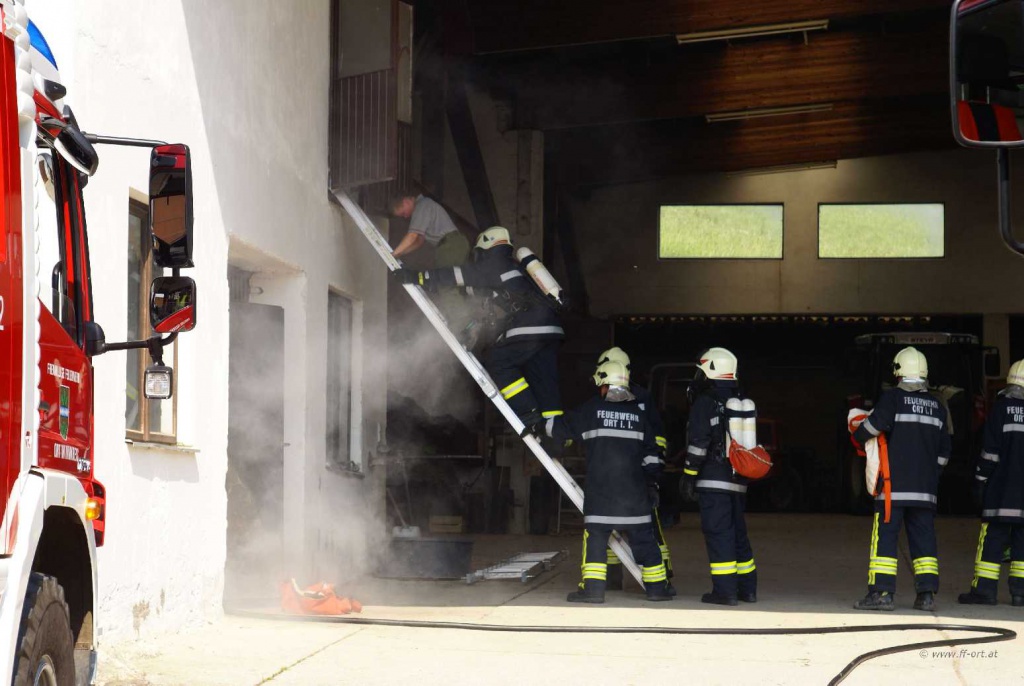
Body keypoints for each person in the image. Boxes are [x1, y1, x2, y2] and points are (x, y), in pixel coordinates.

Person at [395, 227, 563, 428]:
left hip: (530, 327)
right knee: (544, 379)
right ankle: (555, 432)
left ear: (486, 246)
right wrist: (471, 325)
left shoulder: (494, 264)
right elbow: (488, 302)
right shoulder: (515, 269)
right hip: (551, 329)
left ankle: (528, 414)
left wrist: (417, 277)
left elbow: (455, 275)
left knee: (498, 362)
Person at [546, 360, 672, 603]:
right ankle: (657, 588)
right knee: (645, 540)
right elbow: (652, 455)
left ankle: (593, 590)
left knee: (595, 539)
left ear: (604, 384)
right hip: (635, 496)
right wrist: (652, 484)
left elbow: (558, 429)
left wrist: (537, 420)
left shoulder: (592, 410)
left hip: (601, 494)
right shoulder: (638, 415)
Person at [851, 346, 951, 612]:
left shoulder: (893, 398)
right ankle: (926, 596)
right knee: (924, 540)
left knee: (885, 538)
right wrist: (930, 476)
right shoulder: (938, 407)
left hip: (892, 489)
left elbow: (869, 429)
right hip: (925, 491)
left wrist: (857, 433)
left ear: (897, 371)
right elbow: (944, 453)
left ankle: (882, 594)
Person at [592, 347, 674, 593]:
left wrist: (652, 475)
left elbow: (654, 436)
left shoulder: (636, 397)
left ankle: (658, 577)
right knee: (639, 528)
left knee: (642, 528)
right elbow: (654, 436)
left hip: (632, 474)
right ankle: (645, 581)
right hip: (636, 474)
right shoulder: (631, 396)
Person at [681, 347, 758, 606]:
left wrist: (688, 475)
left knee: (719, 534)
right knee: (738, 534)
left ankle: (725, 592)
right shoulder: (739, 401)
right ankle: (748, 589)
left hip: (713, 481)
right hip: (738, 480)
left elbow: (698, 444)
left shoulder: (705, 402)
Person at [958, 359, 1024, 607]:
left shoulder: (1001, 409)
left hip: (1000, 493)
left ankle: (985, 591)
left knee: (993, 540)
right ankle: (1020, 594)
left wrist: (980, 479)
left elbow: (990, 453)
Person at [390, 192, 470, 268]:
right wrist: (401, 253)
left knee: (443, 276)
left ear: (405, 202)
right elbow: (418, 241)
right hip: (456, 244)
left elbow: (412, 235)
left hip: (450, 245)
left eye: (403, 213)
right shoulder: (423, 208)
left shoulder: (421, 206)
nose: (405, 216)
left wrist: (393, 254)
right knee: (454, 275)